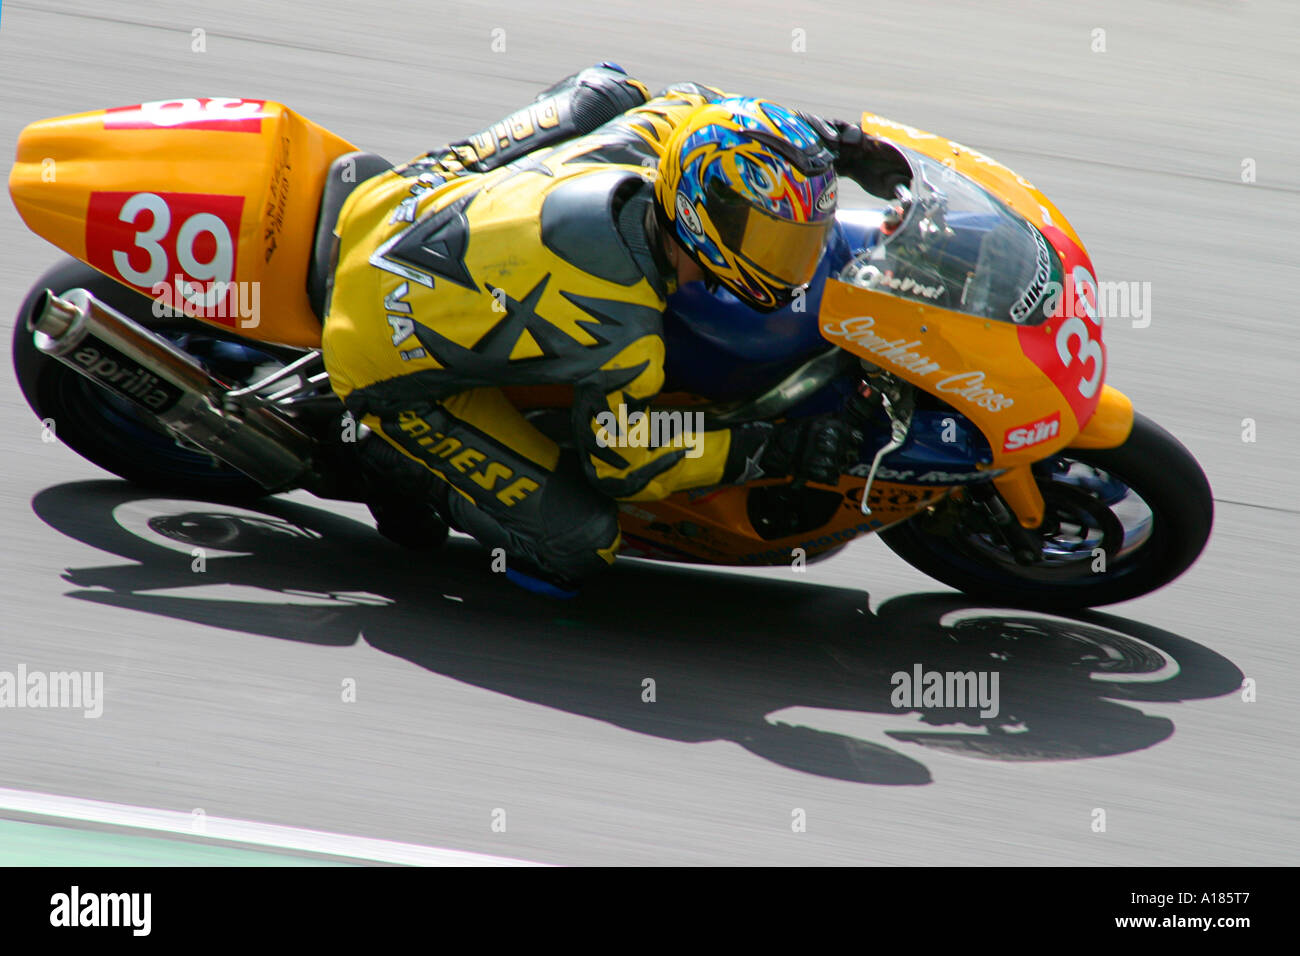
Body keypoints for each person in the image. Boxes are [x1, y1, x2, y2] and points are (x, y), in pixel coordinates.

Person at [320, 64, 911, 596]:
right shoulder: (624, 329)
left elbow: (699, 100)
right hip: (376, 346)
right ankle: (395, 463)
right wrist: (763, 449)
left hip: (398, 197)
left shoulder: (661, 140)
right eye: (772, 240)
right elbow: (620, 456)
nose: (793, 261)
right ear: (704, 220)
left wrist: (830, 142)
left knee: (609, 93)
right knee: (579, 544)